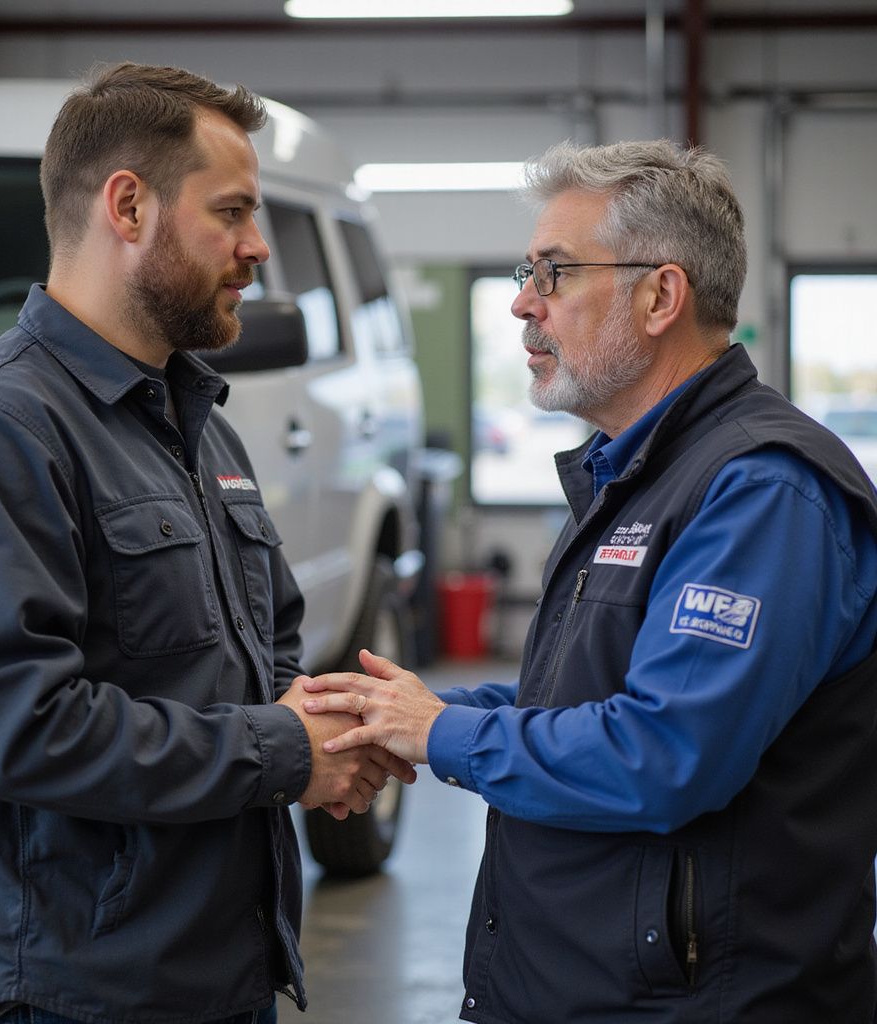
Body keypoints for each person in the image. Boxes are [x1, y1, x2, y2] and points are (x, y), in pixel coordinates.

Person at [0, 62, 414, 1024]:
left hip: (205, 968)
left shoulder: (198, 420)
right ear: (128, 206)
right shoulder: (0, 431)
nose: (257, 249)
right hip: (72, 991)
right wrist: (285, 751)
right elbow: (20, 729)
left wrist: (323, 725)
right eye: (233, 213)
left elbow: (264, 640)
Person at [300, 139, 877, 1022]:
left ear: (660, 296)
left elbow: (665, 754)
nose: (524, 304)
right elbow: (590, 691)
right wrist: (419, 714)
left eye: (554, 272)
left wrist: (446, 735)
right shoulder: (636, 472)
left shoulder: (762, 490)